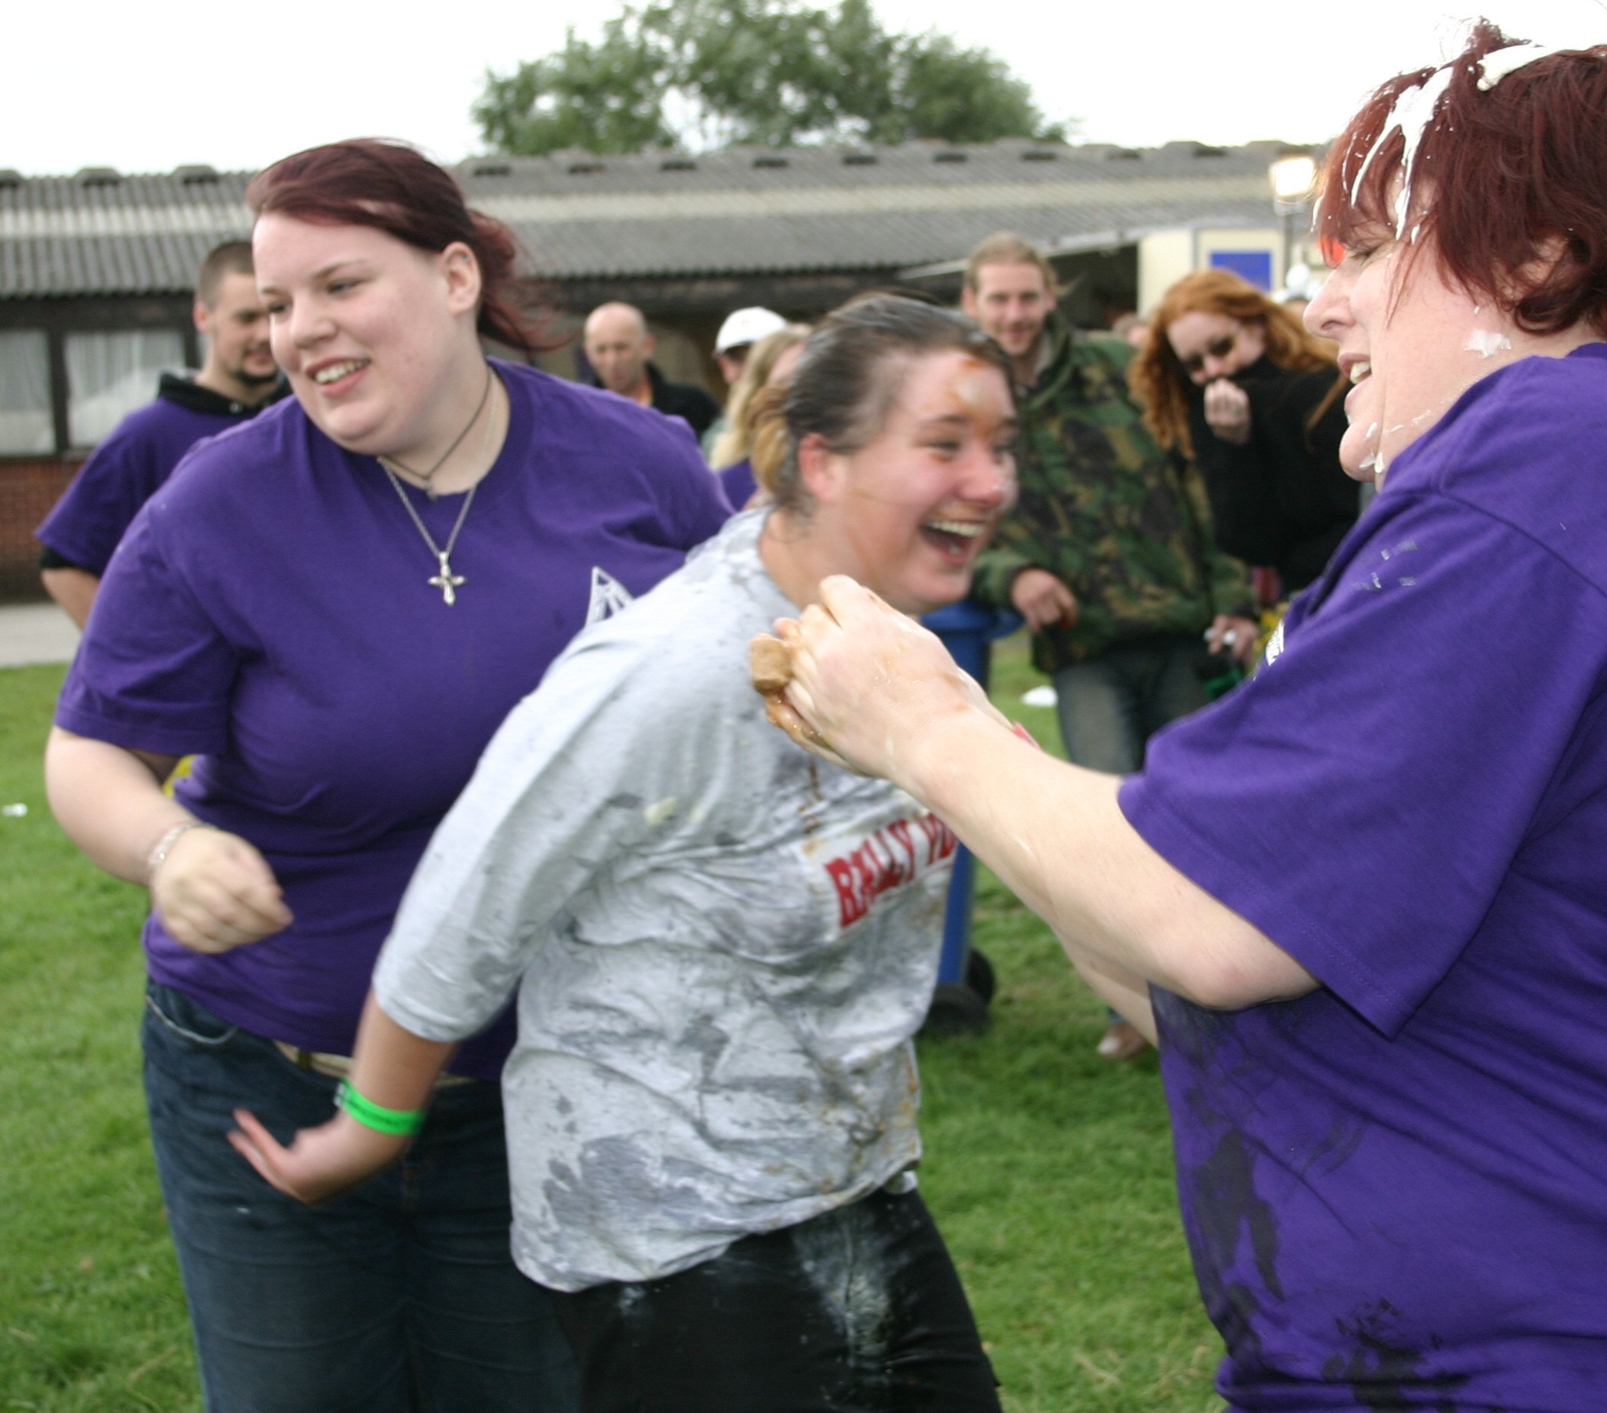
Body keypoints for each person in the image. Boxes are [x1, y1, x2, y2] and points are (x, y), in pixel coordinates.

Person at [760, 29, 1607, 1409]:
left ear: (1535, 255)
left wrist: (923, 727)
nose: (1324, 302)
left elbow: (1208, 923)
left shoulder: (1563, 447)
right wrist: (964, 751)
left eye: (1366, 247)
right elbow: (1185, 959)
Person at [228, 295, 1012, 1413]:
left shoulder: (897, 650)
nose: (990, 481)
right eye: (944, 444)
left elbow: (1047, 834)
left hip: (853, 1176)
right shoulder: (667, 671)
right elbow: (468, 901)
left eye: (999, 445)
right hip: (672, 1225)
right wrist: (373, 1124)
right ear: (820, 462)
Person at [43, 139, 730, 1413]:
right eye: (276, 302)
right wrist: (168, 847)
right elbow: (91, 752)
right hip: (270, 1078)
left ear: (456, 276)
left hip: (553, 1076)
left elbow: (746, 700)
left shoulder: (639, 466)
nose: (299, 330)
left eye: (340, 285)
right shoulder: (219, 503)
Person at [960, 232, 1258, 1061]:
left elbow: (1199, 477)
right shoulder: (964, 397)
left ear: (1050, 296)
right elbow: (949, 515)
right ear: (971, 303)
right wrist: (1014, 573)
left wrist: (1233, 594)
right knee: (1109, 827)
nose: (1014, 315)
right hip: (1082, 644)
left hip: (1179, 625)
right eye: (998, 299)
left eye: (1027, 296)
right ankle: (1133, 1005)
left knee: (1200, 818)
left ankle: (1224, 991)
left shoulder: (1117, 367)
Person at [37, 240, 285, 627]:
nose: (265, 334)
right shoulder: (146, 435)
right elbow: (64, 567)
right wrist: (133, 654)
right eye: (246, 318)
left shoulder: (311, 418)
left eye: (276, 312)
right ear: (203, 317)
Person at [1130, 267, 1358, 597]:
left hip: (1354, 576)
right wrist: (1234, 446)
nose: (1213, 369)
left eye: (1222, 347)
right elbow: (1247, 542)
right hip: (1306, 591)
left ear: (1255, 323)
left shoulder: (1326, 388)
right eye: (1194, 364)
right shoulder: (1205, 412)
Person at [707, 319, 812, 508]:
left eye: (810, 380)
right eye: (785, 384)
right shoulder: (725, 485)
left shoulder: (854, 469)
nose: (800, 394)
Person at [580, 300, 721, 439]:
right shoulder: (579, 413)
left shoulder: (694, 405)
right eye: (601, 350)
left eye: (621, 348)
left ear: (647, 346)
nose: (612, 360)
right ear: (587, 352)